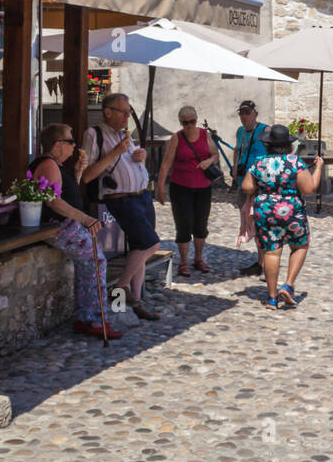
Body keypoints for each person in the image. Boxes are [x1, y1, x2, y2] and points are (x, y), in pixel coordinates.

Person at [30, 123, 122, 339]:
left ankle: (87, 317)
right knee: (96, 260)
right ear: (58, 145)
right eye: (71, 141)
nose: (74, 146)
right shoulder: (49, 164)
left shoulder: (57, 165)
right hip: (56, 224)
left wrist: (78, 173)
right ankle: (94, 320)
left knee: (91, 261)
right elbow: (54, 202)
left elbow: (66, 194)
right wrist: (85, 218)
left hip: (63, 223)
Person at [80, 93, 162, 321]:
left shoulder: (124, 134)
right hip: (120, 198)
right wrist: (116, 151)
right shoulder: (94, 134)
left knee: (139, 247)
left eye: (129, 112)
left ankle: (136, 300)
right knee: (150, 243)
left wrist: (141, 158)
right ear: (108, 112)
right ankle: (122, 287)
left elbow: (128, 165)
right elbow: (87, 175)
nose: (128, 116)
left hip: (141, 196)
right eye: (124, 112)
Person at [242, 124, 323, 310]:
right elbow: (309, 189)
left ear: (268, 145)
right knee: (300, 244)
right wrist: (318, 168)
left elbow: (246, 187)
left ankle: (271, 298)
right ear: (289, 145)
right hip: (291, 210)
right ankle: (288, 285)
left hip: (266, 210)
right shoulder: (295, 162)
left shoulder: (258, 162)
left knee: (271, 251)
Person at [156, 105, 219, 278]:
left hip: (203, 187)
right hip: (181, 187)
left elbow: (215, 154)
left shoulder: (205, 135)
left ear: (196, 120)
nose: (189, 126)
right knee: (183, 224)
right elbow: (166, 163)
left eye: (192, 122)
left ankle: (198, 259)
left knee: (201, 224)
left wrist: (208, 162)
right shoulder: (177, 138)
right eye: (185, 123)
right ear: (181, 123)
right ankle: (184, 262)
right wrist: (160, 187)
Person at [232, 100, 268, 276]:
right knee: (249, 220)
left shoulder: (265, 130)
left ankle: (264, 263)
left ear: (255, 113)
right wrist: (233, 167)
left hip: (260, 184)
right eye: (241, 113)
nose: (244, 116)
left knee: (261, 222)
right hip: (243, 183)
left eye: (247, 113)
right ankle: (261, 261)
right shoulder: (240, 132)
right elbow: (237, 149)